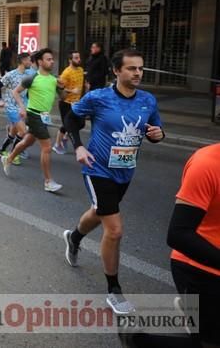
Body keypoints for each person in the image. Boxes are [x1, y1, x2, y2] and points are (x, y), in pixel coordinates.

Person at [62, 48, 164, 315]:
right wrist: (79, 147)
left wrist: (157, 133)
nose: (138, 73)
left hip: (125, 171)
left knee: (100, 212)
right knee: (115, 229)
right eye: (131, 68)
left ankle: (73, 237)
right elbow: (71, 118)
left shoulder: (148, 100)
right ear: (117, 71)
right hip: (97, 169)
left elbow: (155, 130)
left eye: (140, 68)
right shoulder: (98, 97)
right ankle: (114, 290)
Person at [167, 142, 220, 347]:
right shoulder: (207, 164)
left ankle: (193, 310)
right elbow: (178, 235)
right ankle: (137, 338)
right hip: (199, 266)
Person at [1, 48, 64, 192]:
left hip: (44, 116)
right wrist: (22, 108)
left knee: (27, 141)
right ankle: (48, 181)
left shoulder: (54, 79)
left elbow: (64, 97)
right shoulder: (32, 78)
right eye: (48, 59)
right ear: (40, 62)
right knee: (47, 147)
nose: (52, 61)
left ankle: (8, 158)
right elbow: (15, 91)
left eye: (52, 59)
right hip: (34, 115)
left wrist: (63, 86)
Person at [0, 52, 34, 161]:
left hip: (23, 106)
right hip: (11, 106)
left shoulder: (29, 74)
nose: (30, 62)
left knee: (13, 132)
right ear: (23, 61)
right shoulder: (10, 75)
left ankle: (2, 150)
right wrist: (0, 100)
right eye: (29, 60)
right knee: (23, 132)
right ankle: (13, 155)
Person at [53, 50, 84, 154]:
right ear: (70, 60)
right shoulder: (66, 72)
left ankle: (66, 136)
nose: (79, 59)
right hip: (66, 103)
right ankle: (57, 145)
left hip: (77, 102)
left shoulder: (80, 70)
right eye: (76, 58)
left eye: (79, 57)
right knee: (66, 125)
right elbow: (59, 88)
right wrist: (72, 91)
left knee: (81, 123)